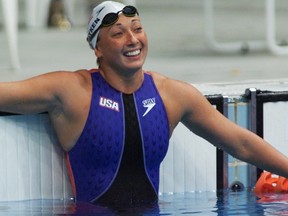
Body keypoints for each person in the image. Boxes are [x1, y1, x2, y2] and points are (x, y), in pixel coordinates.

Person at [1, 0, 288, 210]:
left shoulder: (172, 95)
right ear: (97, 48)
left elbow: (242, 143)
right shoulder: (71, 91)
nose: (132, 39)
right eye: (118, 33)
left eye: (137, 29)